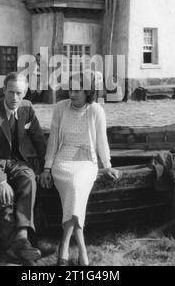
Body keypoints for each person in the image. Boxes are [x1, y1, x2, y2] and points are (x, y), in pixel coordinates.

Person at [40, 71, 120, 266]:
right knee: (74, 187)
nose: (72, 94)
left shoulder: (96, 110)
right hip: (63, 160)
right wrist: (47, 167)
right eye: (70, 90)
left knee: (76, 186)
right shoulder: (60, 108)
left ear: (88, 92)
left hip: (86, 161)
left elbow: (102, 141)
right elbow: (53, 141)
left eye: (77, 90)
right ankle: (82, 248)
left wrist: (107, 165)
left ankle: (65, 244)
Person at [0, 72, 46, 263]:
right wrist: (1, 181)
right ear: (3, 90)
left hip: (15, 162)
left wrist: (48, 168)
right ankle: (17, 248)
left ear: (26, 93)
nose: (15, 98)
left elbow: (38, 139)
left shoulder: (27, 108)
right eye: (11, 92)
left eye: (19, 93)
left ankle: (21, 239)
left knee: (29, 179)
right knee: (6, 200)